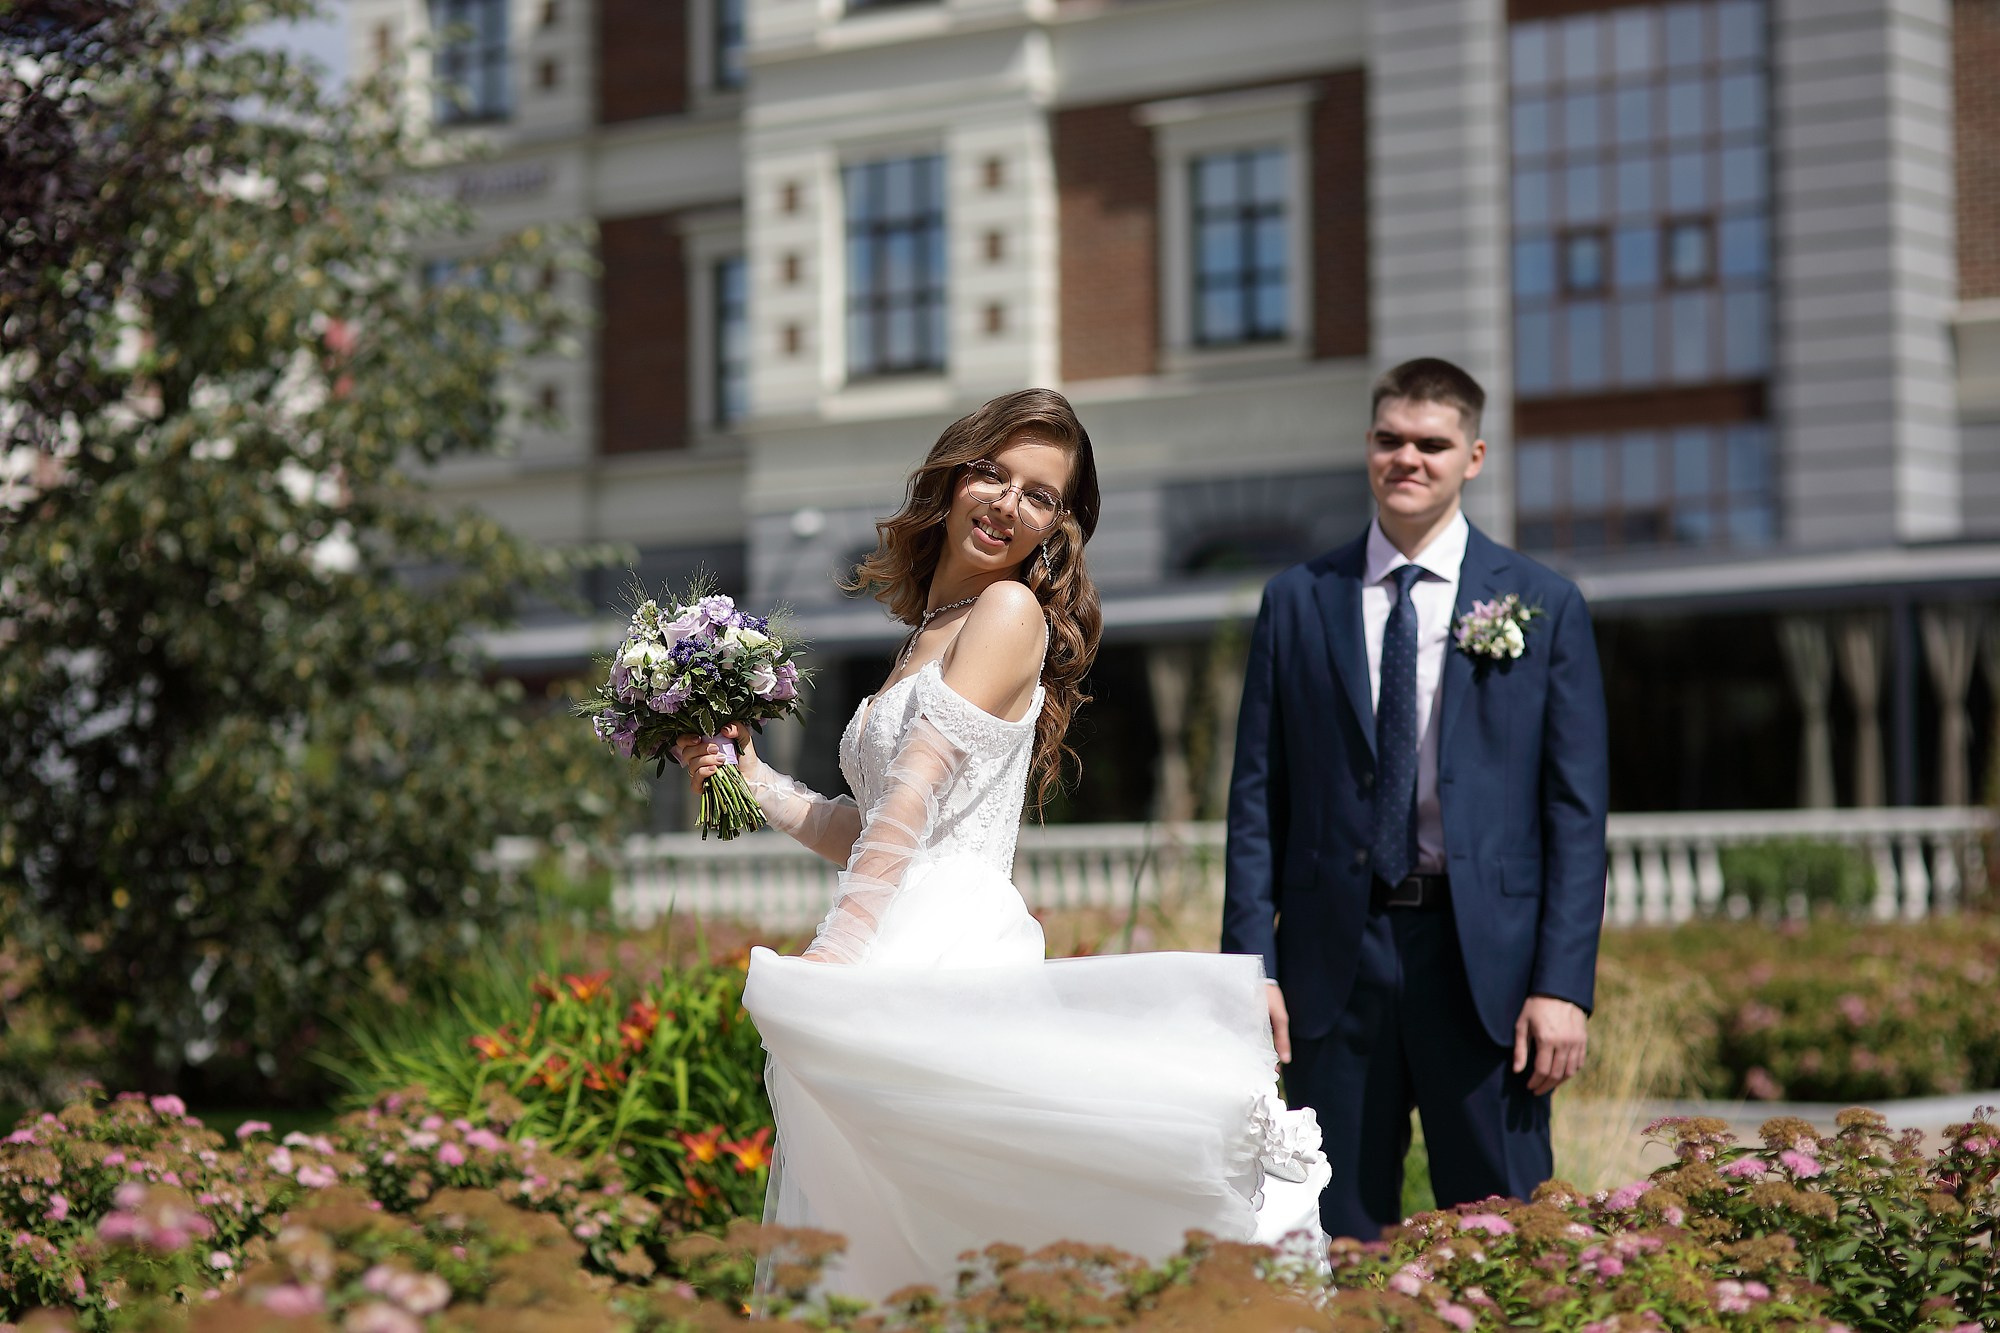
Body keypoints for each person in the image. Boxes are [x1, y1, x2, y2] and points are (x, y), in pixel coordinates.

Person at [673, 388, 1328, 1300]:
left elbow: (911, 800)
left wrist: (837, 953)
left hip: (942, 943)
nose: (1008, 504)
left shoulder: (1007, 611)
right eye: (993, 473)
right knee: (889, 1233)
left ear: (1058, 525)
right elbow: (868, 827)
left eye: (1040, 495)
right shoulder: (929, 630)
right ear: (953, 476)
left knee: (955, 1235)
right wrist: (750, 778)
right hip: (899, 920)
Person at [1221, 358, 1609, 1240]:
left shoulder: (1542, 604)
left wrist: (1562, 985)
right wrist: (1253, 967)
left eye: (1431, 444)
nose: (1409, 458)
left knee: (1503, 1228)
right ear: (1368, 447)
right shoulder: (1296, 601)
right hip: (1333, 961)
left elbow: (1575, 817)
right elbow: (1257, 800)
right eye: (1391, 440)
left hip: (1490, 971)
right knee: (1330, 1227)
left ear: (1471, 456)